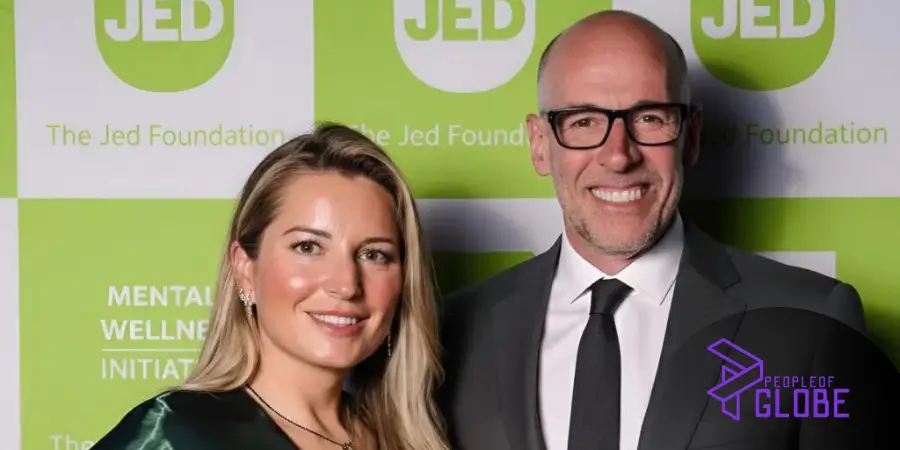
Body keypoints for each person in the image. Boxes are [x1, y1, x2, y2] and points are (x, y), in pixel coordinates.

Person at [436, 10, 877, 450]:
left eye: (649, 118)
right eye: (583, 121)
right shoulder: (452, 330)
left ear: (691, 136)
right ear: (539, 144)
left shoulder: (813, 323)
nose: (618, 156)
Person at [91, 123, 450, 450]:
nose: (346, 284)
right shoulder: (171, 436)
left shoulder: (407, 439)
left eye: (374, 254)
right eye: (308, 247)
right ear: (245, 268)